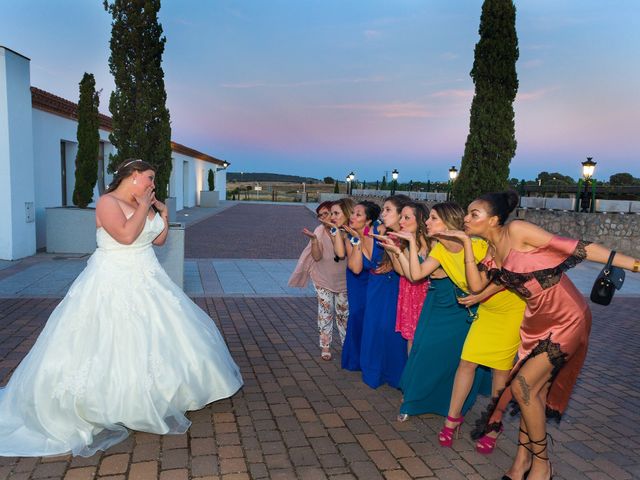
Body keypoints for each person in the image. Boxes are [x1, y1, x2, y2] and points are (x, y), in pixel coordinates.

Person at [0, 159, 243, 457]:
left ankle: (158, 394)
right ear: (134, 175)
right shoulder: (107, 202)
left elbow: (159, 239)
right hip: (113, 278)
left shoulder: (143, 202)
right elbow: (126, 236)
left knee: (159, 334)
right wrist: (144, 205)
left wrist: (162, 214)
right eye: (150, 177)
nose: (154, 184)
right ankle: (112, 401)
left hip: (148, 276)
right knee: (112, 336)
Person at [445, 190, 640, 480]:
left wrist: (636, 265)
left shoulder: (517, 230)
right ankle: (522, 461)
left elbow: (578, 248)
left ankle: (541, 463)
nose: (467, 218)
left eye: (475, 213)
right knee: (533, 394)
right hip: (535, 323)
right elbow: (475, 285)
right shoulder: (489, 252)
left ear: (495, 219)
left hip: (567, 317)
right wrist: (465, 244)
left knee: (523, 387)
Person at [381, 202, 492, 424]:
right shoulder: (440, 249)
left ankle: (453, 407)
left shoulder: (479, 245)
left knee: (457, 359)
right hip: (449, 303)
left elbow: (495, 278)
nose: (427, 222)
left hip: (472, 306)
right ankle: (412, 401)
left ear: (449, 222)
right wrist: (404, 247)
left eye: (433, 218)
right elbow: (416, 275)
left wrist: (479, 297)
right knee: (423, 351)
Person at [345, 195, 411, 389]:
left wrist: (391, 262)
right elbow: (358, 266)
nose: (384, 213)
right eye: (383, 210)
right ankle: (374, 371)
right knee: (374, 328)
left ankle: (396, 373)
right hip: (376, 286)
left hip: (395, 285)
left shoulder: (394, 234)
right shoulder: (372, 232)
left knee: (392, 330)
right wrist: (356, 240)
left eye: (388, 210)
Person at [289, 201, 348, 361]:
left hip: (344, 281)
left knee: (343, 314)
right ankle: (326, 345)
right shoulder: (320, 231)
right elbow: (316, 257)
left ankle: (346, 346)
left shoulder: (346, 230)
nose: (323, 218)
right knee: (325, 313)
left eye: (326, 214)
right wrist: (314, 240)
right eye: (320, 215)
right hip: (322, 278)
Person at [334, 201, 380, 371]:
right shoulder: (349, 238)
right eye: (352, 213)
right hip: (358, 282)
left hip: (379, 283)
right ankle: (356, 359)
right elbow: (356, 268)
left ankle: (372, 358)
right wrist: (357, 242)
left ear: (369, 221)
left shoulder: (378, 233)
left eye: (358, 214)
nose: (352, 217)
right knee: (357, 316)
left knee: (374, 320)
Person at [385, 202, 431, 353]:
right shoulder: (408, 242)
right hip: (410, 294)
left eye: (406, 217)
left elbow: (415, 276)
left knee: (423, 341)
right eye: (401, 217)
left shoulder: (433, 245)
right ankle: (411, 374)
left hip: (426, 297)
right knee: (411, 339)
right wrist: (392, 250)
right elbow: (402, 271)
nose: (401, 221)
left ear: (421, 220)